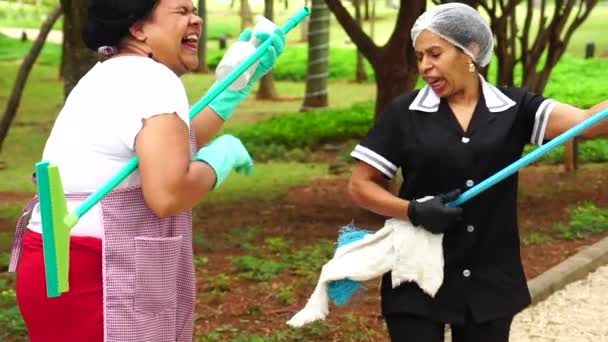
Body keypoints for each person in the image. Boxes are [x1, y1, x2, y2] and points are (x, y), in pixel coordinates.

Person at [8, 0, 286, 341]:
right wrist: (220, 160)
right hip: (98, 273)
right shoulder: (154, 80)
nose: (196, 19)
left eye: (195, 10)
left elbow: (164, 150)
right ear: (138, 28)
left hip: (49, 262)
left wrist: (232, 89)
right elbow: (167, 194)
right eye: (181, 11)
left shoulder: (108, 72)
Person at [347, 3, 608, 342]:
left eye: (435, 54)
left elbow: (588, 123)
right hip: (416, 276)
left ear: (470, 50)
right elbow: (360, 185)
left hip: (489, 279)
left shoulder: (515, 109)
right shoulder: (404, 113)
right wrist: (412, 211)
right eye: (420, 56)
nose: (425, 66)